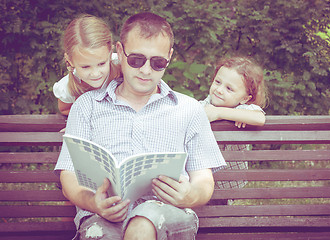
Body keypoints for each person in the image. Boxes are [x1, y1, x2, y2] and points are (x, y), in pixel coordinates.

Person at [55, 12, 226, 240]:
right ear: (120, 51)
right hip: (104, 215)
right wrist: (93, 203)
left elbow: (204, 180)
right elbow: (69, 176)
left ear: (169, 57)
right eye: (136, 60)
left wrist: (190, 195)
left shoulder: (189, 109)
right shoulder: (86, 106)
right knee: (101, 234)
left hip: (166, 213)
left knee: (142, 226)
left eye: (157, 63)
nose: (146, 70)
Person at [199, 56, 267, 193]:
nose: (219, 90)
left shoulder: (244, 109)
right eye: (217, 82)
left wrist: (220, 113)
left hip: (229, 180)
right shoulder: (203, 106)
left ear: (244, 98)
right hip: (202, 178)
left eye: (229, 88)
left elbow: (259, 118)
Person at [53, 14, 121, 115]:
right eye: (85, 67)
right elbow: (64, 110)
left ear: (110, 53)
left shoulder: (123, 66)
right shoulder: (68, 87)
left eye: (101, 63)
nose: (95, 74)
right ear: (70, 60)